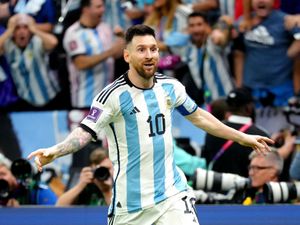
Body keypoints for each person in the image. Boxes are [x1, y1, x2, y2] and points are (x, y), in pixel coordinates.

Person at [28, 24, 273, 225]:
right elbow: (84, 132)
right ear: (127, 55)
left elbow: (199, 116)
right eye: (142, 50)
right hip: (131, 205)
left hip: (172, 195)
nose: (149, 55)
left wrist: (242, 137)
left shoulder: (170, 87)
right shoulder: (111, 96)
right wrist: (55, 151)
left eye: (154, 49)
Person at [233, 0, 300, 134]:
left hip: (280, 94)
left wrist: (293, 49)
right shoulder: (243, 22)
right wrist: (240, 86)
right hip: (251, 93)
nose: (261, 1)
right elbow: (238, 54)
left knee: (278, 139)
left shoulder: (285, 20)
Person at [63, 0, 125, 108]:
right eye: (98, 7)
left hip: (108, 100)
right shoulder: (73, 33)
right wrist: (110, 52)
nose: (103, 9)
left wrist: (122, 38)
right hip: (85, 101)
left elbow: (117, 54)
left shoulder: (104, 28)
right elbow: (81, 63)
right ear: (86, 9)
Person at [201, 87, 269, 177]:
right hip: (245, 189)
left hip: (214, 186)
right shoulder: (261, 135)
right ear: (249, 108)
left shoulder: (212, 130)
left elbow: (206, 159)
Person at [0, 14, 61, 110]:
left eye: (25, 27)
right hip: (25, 100)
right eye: (17, 28)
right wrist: (9, 31)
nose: (21, 32)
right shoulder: (8, 45)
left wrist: (34, 29)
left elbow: (53, 42)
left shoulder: (37, 41)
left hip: (51, 97)